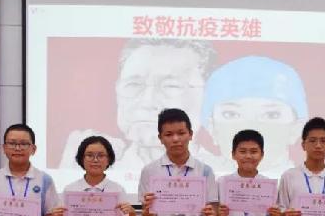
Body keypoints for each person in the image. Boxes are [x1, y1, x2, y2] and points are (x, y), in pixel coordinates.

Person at [59, 39, 217, 188]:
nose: (147, 102)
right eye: (133, 85)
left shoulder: (218, 172)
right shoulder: (88, 164)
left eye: (171, 86)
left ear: (207, 96)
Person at [201, 56, 308, 177]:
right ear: (212, 128)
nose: (250, 127)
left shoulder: (305, 183)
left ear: (296, 128)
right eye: (231, 114)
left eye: (271, 115)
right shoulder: (202, 179)